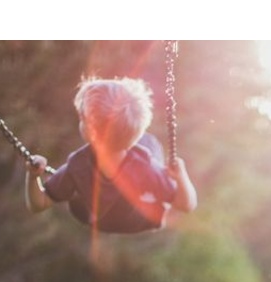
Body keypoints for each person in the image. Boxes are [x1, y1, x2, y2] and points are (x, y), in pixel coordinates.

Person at [25, 76, 197, 234]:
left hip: (96, 218)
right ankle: (142, 188)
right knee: (149, 144)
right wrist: (180, 176)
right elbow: (186, 205)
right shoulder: (145, 165)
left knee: (146, 147)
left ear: (90, 131)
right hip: (139, 219)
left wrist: (33, 176)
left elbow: (39, 203)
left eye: (82, 118)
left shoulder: (77, 166)